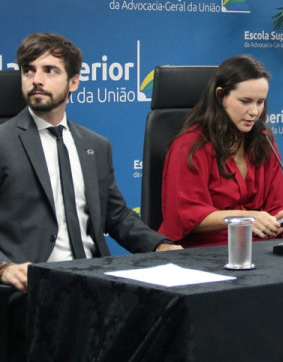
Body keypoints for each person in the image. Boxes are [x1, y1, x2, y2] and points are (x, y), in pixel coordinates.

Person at [0, 33, 181, 359]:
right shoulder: (3, 142)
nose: (36, 80)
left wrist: (160, 245)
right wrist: (3, 268)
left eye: (49, 70)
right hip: (31, 290)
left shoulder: (95, 145)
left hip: (95, 283)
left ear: (74, 82)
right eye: (28, 71)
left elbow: (116, 215)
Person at [159, 55, 283, 248]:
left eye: (260, 102)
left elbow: (280, 204)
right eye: (245, 101)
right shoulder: (190, 145)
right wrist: (246, 218)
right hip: (205, 252)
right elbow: (186, 214)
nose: (254, 111)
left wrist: (276, 220)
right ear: (220, 96)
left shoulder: (263, 139)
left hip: (258, 248)